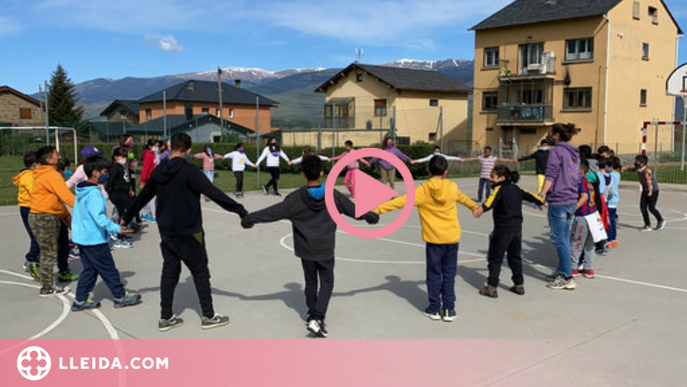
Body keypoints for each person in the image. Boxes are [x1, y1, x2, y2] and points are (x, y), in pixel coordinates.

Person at [241, 155, 379, 337]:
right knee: (327, 282)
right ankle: (317, 318)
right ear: (322, 172)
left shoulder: (295, 198)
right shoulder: (333, 195)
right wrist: (371, 216)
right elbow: (355, 211)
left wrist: (250, 218)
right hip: (325, 249)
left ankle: (312, 316)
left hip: (306, 249)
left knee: (311, 282)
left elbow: (273, 212)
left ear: (303, 173)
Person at [123, 133, 248, 332]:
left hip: (167, 231)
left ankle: (166, 317)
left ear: (171, 147)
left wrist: (126, 215)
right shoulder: (190, 171)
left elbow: (143, 196)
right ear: (189, 150)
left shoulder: (159, 171)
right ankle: (208, 315)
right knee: (200, 271)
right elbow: (214, 193)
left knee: (170, 271)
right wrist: (240, 210)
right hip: (190, 230)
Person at [374, 156, 479, 322]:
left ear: (428, 170)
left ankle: (434, 308)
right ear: (446, 172)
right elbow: (463, 198)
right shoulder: (452, 187)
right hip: (452, 239)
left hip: (434, 240)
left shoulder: (422, 190)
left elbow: (400, 202)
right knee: (449, 274)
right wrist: (475, 207)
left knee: (434, 274)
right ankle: (449, 309)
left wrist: (377, 210)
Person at [71, 156, 142, 311]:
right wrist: (116, 228)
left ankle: (80, 299)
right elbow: (99, 218)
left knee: (90, 270)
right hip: (94, 239)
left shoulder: (82, 189)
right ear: (95, 173)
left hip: (83, 238)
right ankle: (120, 296)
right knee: (108, 269)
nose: (106, 175)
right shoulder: (94, 194)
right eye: (104, 172)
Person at [474, 165, 545, 298]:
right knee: (515, 257)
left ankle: (491, 286)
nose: (490, 180)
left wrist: (481, 209)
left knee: (495, 258)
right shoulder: (516, 188)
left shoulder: (499, 189)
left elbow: (490, 201)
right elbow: (529, 195)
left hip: (502, 230)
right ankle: (519, 285)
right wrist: (540, 201)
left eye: (492, 177)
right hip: (516, 229)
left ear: (501, 178)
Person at [29, 146, 79, 296]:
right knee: (49, 253)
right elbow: (66, 197)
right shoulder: (51, 175)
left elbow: (56, 201)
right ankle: (47, 287)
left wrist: (67, 217)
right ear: (49, 160)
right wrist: (84, 210)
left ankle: (48, 284)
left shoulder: (45, 174)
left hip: (44, 216)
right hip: (45, 217)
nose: (59, 157)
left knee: (48, 251)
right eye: (56, 155)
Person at [540, 123, 581, 290]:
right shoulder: (574, 152)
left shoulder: (556, 151)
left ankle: (566, 276)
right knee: (564, 239)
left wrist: (542, 195)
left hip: (559, 200)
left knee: (560, 240)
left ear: (556, 135)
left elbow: (551, 174)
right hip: (571, 198)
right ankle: (562, 270)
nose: (548, 136)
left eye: (550, 133)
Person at [569, 159, 599, 280]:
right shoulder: (588, 181)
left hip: (583, 216)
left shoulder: (580, 181)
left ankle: (573, 267)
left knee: (577, 242)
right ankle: (588, 268)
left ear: (580, 170)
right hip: (593, 215)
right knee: (589, 243)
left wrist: (573, 209)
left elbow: (584, 196)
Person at [14, 151, 40, 280]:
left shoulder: (29, 174)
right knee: (37, 236)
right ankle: (30, 259)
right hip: (29, 208)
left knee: (37, 235)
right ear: (34, 165)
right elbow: (34, 192)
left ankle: (35, 258)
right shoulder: (28, 176)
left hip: (30, 207)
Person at [105, 147, 136, 249]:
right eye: (121, 157)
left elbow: (125, 181)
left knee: (125, 213)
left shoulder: (122, 167)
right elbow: (110, 182)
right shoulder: (114, 168)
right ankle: (118, 237)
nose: (124, 159)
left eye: (125, 157)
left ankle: (120, 233)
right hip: (117, 194)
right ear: (115, 157)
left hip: (124, 193)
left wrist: (129, 190)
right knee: (123, 215)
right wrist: (108, 193)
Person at [625, 155, 666, 231]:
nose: (635, 163)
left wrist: (650, 191)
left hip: (653, 190)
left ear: (642, 163)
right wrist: (626, 170)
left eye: (637, 161)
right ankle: (648, 225)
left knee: (651, 207)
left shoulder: (646, 171)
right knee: (643, 207)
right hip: (645, 189)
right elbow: (633, 169)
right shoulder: (639, 168)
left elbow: (648, 181)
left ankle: (661, 220)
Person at [140, 139, 159, 222]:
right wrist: (143, 180)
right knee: (152, 198)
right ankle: (154, 215)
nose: (157, 148)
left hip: (154, 178)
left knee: (150, 197)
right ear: (150, 146)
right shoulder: (148, 155)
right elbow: (145, 168)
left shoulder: (153, 154)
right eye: (156, 146)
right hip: (149, 179)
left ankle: (145, 214)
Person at [606, 157, 622, 248]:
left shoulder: (611, 175)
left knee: (609, 220)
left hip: (610, 199)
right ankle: (613, 238)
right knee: (612, 220)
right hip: (614, 200)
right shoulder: (617, 174)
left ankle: (609, 239)